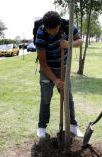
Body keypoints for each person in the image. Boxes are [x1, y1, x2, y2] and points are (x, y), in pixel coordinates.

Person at [35, 11, 83, 139]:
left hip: (63, 68)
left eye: (54, 30)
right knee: (45, 98)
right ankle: (41, 127)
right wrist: (55, 80)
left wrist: (69, 44)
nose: (51, 33)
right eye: (49, 30)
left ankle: (73, 125)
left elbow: (79, 41)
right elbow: (43, 63)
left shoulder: (67, 25)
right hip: (47, 69)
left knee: (68, 97)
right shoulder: (41, 32)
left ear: (59, 24)